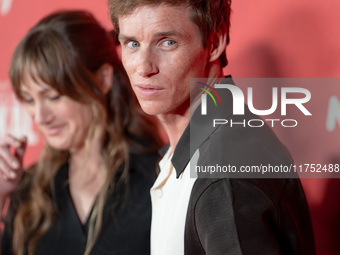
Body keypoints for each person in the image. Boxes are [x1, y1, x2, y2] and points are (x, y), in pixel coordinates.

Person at [107, 0, 316, 254]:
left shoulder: (224, 173)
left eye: (167, 42)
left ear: (215, 43)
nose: (143, 67)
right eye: (132, 44)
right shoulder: (196, 149)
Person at [0, 10, 162, 255]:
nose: (40, 116)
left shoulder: (159, 179)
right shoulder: (30, 190)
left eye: (53, 96)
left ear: (103, 80)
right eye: (29, 100)